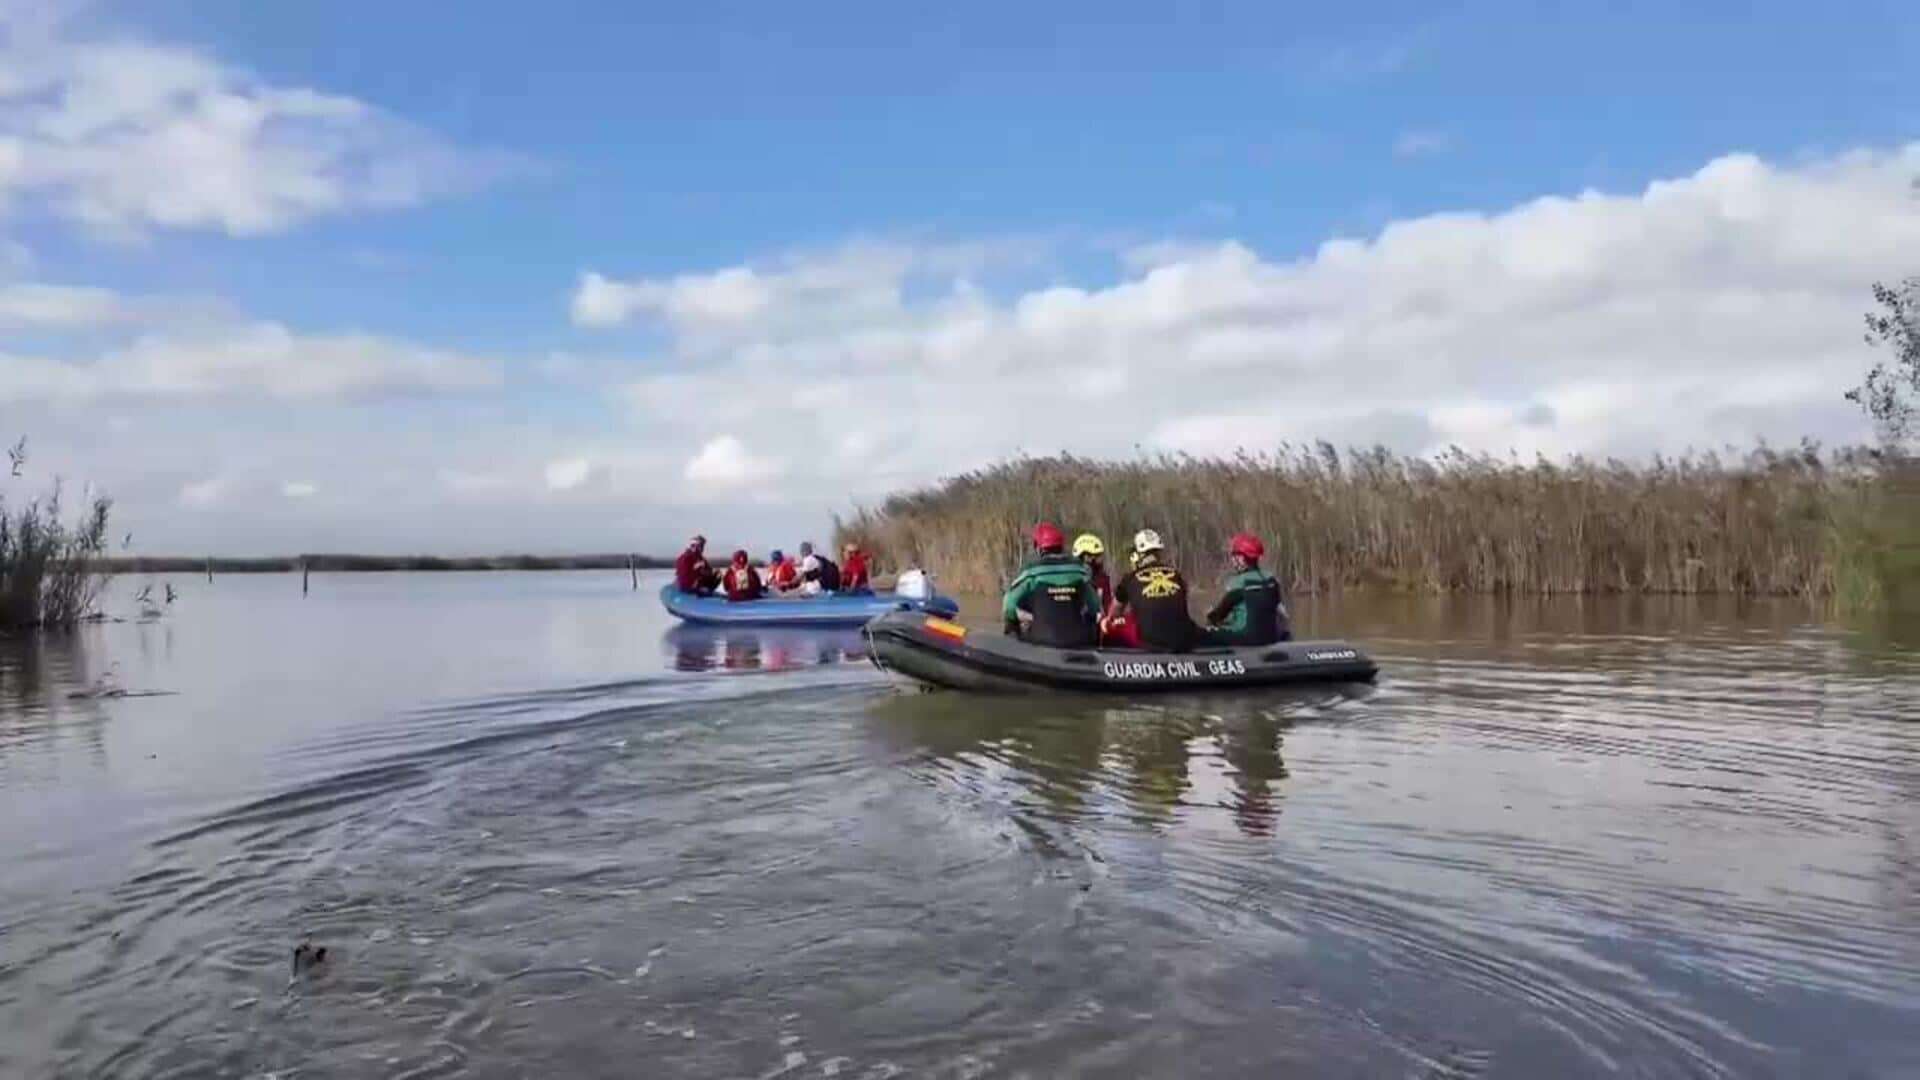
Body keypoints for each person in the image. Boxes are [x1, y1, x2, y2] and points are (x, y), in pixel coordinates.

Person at [1001, 522, 1100, 647]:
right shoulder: (1079, 571)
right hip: (1078, 639)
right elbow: (1095, 606)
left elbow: (1008, 605)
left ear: (1039, 548)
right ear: (1061, 546)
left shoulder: (1032, 573)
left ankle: (1011, 648)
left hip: (1041, 638)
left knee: (1012, 623)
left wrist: (1027, 618)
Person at [1111, 529, 1202, 652]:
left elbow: (1114, 611)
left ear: (1138, 554)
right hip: (1184, 642)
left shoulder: (1130, 578)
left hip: (1151, 644)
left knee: (1119, 625)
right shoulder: (1175, 574)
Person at [1205, 532, 1290, 645]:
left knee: (1209, 629)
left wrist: (1210, 615)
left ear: (1241, 558)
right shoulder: (1271, 579)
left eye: (1234, 555)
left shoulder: (1237, 583)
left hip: (1246, 638)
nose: (1232, 559)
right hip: (1271, 637)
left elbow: (1219, 614)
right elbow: (1283, 614)